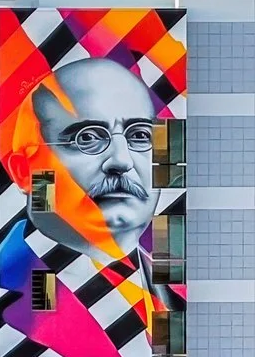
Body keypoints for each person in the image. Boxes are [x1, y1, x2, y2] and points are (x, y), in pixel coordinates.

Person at [28, 54, 159, 258]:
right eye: (87, 137)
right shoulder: (19, 272)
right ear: (25, 168)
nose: (121, 160)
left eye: (140, 135)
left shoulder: (170, 272)